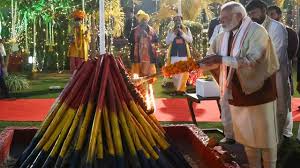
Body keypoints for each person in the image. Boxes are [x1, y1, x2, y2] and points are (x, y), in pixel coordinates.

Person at [198, 2, 279, 167]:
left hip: (259, 92)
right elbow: (213, 57)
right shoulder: (222, 36)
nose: (221, 22)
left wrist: (220, 59)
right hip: (236, 94)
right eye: (220, 18)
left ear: (239, 16)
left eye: (225, 18)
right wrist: (197, 65)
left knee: (266, 138)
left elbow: (253, 61)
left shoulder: (257, 32)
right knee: (247, 138)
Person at [246, 0, 290, 144]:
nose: (252, 16)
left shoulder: (277, 28)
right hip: (258, 75)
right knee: (260, 109)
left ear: (264, 10)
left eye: (254, 12)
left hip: (276, 75)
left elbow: (278, 54)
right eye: (250, 14)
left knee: (279, 108)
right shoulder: (252, 28)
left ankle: (277, 143)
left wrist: (255, 65)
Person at [267, 5, 299, 140]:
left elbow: (292, 51)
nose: (270, 17)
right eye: (268, 14)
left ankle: (287, 130)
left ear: (279, 15)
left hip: (284, 69)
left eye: (272, 14)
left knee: (285, 100)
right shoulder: (265, 30)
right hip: (269, 71)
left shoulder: (289, 31)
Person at [165, 13, 193, 96]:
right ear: (174, 21)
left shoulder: (186, 29)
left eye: (179, 20)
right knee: (175, 73)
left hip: (183, 54)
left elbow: (190, 40)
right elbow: (167, 42)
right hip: (174, 55)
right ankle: (177, 90)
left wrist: (182, 34)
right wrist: (174, 34)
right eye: (176, 20)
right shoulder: (170, 30)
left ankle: (182, 90)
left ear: (182, 20)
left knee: (183, 72)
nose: (178, 21)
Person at [129, 10, 158, 78]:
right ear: (140, 21)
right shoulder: (134, 30)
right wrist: (139, 37)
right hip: (137, 57)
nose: (144, 22)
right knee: (137, 75)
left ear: (147, 21)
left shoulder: (152, 30)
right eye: (142, 20)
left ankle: (149, 87)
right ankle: (138, 88)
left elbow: (156, 40)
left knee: (150, 76)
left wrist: (147, 36)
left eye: (145, 20)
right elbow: (130, 40)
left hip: (149, 56)